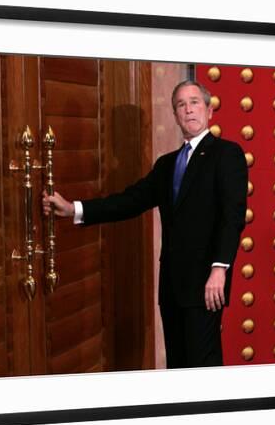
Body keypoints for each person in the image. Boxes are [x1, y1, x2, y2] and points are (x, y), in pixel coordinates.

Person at [42, 80, 248, 369]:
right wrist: (74, 208)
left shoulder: (227, 154)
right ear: (175, 115)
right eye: (181, 105)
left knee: (203, 367)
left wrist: (219, 269)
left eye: (194, 103)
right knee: (177, 366)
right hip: (172, 287)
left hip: (205, 284)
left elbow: (232, 216)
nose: (188, 110)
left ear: (209, 111)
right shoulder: (167, 164)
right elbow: (130, 201)